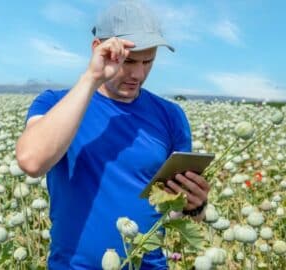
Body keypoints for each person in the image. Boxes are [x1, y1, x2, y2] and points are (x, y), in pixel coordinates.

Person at [16, 0, 210, 269]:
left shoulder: (171, 115)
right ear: (99, 49)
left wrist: (195, 206)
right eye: (129, 61)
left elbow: (174, 212)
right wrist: (92, 78)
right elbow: (31, 162)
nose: (138, 74)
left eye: (148, 61)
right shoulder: (54, 104)